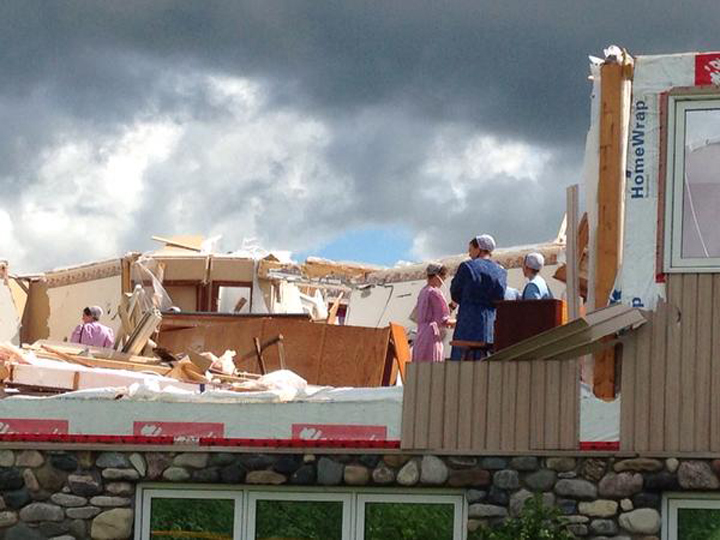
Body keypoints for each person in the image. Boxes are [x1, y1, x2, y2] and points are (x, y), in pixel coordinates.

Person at [450, 234, 507, 360]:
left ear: (478, 249)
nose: (469, 254)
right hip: (491, 324)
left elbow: (455, 292)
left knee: (462, 362)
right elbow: (501, 297)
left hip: (468, 322)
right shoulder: (501, 272)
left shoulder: (468, 267)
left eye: (471, 250)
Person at [411, 263, 454, 363]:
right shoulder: (435, 293)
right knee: (432, 370)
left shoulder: (423, 292)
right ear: (437, 276)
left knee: (420, 369)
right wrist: (461, 322)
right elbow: (444, 320)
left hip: (420, 336)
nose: (443, 281)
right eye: (443, 277)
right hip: (431, 336)